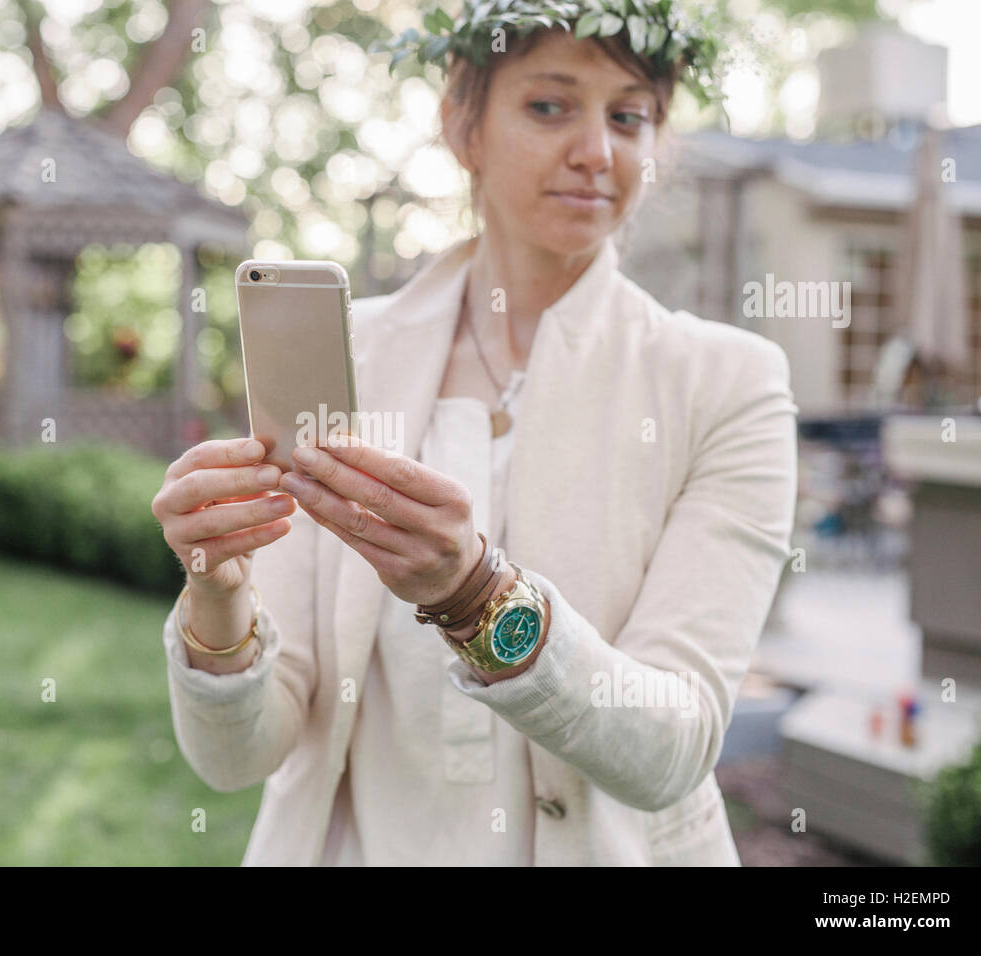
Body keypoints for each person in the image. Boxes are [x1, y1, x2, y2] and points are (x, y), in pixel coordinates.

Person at [151, 3, 798, 865]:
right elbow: (238, 757)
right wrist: (219, 598)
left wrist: (476, 596)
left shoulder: (727, 384)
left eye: (628, 115)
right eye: (549, 105)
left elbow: (673, 749)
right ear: (465, 126)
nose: (597, 152)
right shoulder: (347, 353)